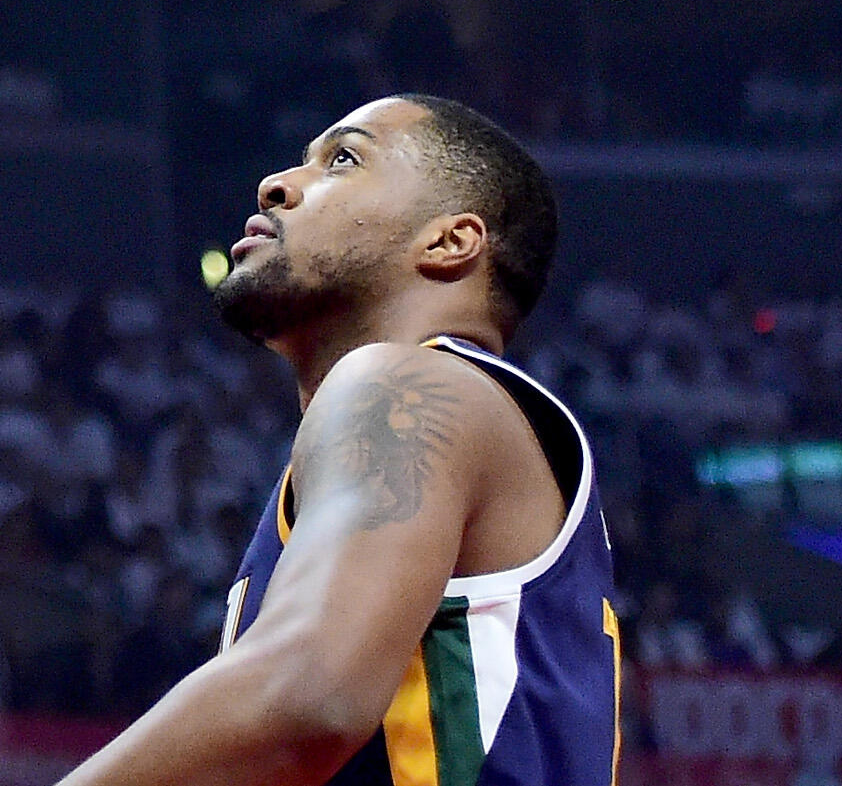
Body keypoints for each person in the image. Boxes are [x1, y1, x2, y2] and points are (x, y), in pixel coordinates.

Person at [54, 96, 616, 786]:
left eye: (343, 159)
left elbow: (308, 694)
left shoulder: (406, 380)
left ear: (449, 241)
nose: (277, 183)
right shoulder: (474, 414)